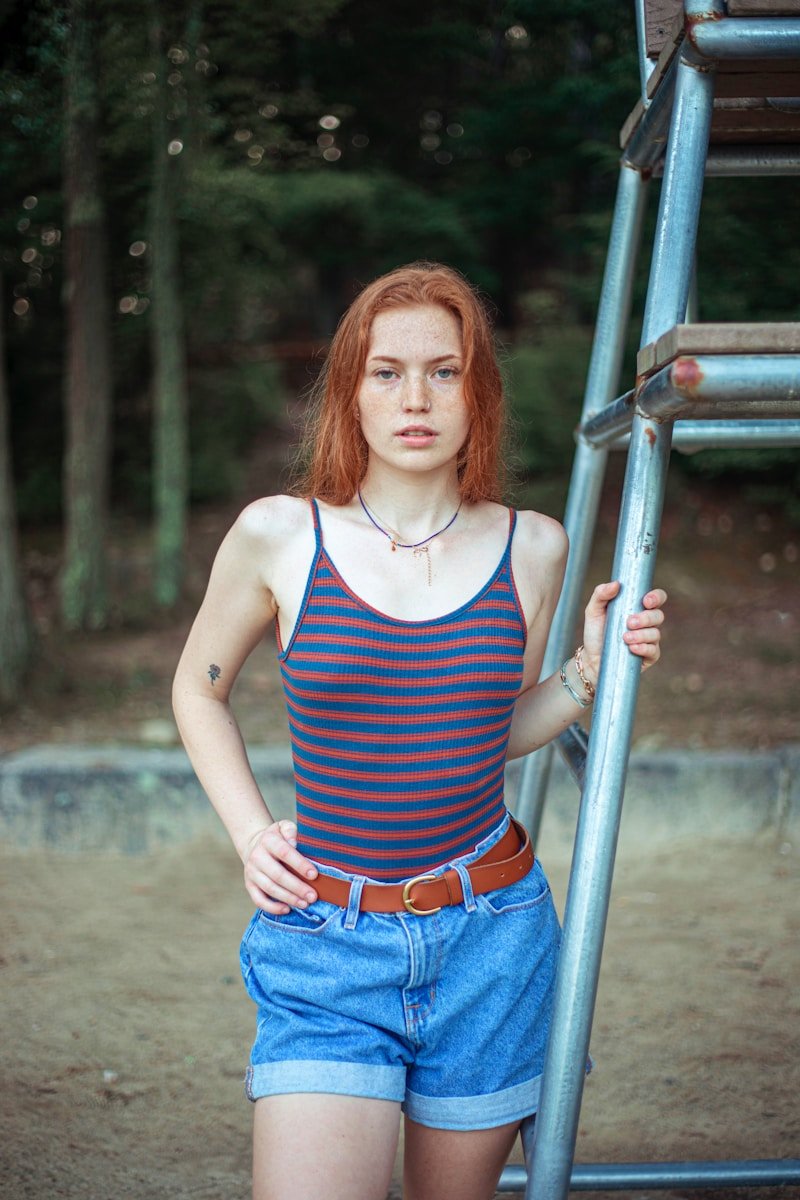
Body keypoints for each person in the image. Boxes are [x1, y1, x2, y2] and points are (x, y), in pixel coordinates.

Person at [172, 262, 667, 1200]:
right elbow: (198, 692)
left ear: (477, 393)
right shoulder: (280, 535)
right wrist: (250, 833)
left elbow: (483, 730)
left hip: (492, 939)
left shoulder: (534, 544)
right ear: (349, 395)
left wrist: (588, 674)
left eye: (444, 371)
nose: (416, 397)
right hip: (326, 938)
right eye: (385, 371)